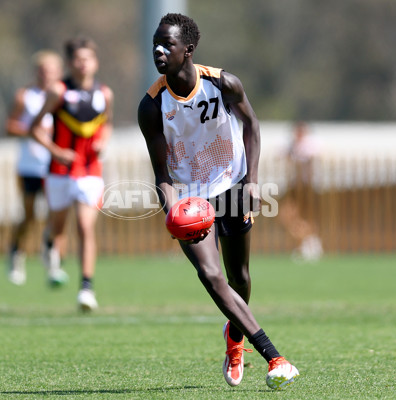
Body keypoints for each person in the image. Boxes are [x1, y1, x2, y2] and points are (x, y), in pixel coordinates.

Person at [137, 13, 299, 390]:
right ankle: (275, 358)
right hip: (191, 198)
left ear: (188, 50)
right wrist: (173, 209)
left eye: (168, 45)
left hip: (231, 186)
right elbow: (162, 174)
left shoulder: (223, 83)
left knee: (239, 278)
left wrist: (253, 182)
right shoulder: (151, 105)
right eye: (155, 46)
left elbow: (252, 126)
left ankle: (235, 337)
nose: (159, 51)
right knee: (210, 276)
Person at [30, 37, 113, 311]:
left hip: (90, 171)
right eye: (78, 58)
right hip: (60, 172)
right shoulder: (58, 91)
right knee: (58, 227)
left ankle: (86, 288)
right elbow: (34, 128)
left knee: (85, 226)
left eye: (87, 58)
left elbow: (108, 124)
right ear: (69, 63)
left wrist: (103, 141)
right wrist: (55, 151)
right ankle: (50, 241)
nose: (83, 63)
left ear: (96, 62)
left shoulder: (105, 93)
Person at [5, 50, 63, 286]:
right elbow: (10, 127)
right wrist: (34, 132)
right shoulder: (25, 96)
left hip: (54, 165)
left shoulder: (63, 96)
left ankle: (51, 259)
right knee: (29, 216)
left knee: (55, 216)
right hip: (29, 166)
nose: (45, 75)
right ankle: (16, 252)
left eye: (50, 71)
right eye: (42, 71)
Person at [279, 121, 323, 261]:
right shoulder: (293, 145)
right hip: (294, 186)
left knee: (304, 216)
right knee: (287, 216)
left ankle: (309, 243)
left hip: (305, 187)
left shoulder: (309, 145)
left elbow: (312, 158)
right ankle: (309, 241)